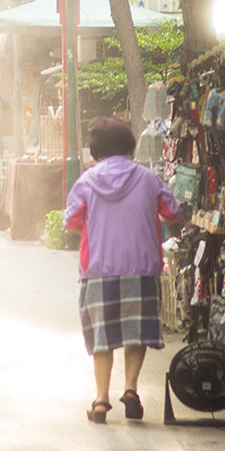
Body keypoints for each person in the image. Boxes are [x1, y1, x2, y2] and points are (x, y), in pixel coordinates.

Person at [63, 117, 183, 424]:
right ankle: (131, 390)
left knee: (102, 336)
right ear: (129, 144)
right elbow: (172, 212)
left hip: (99, 268)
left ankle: (101, 400)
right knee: (136, 332)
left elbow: (72, 220)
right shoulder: (147, 178)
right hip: (141, 267)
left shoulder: (88, 180)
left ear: (96, 148)